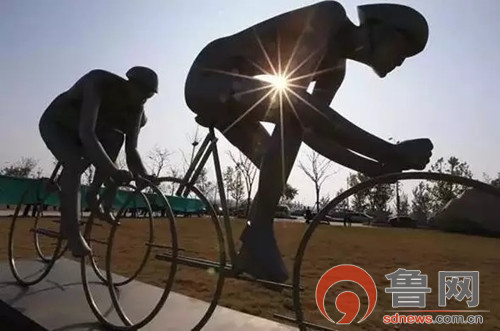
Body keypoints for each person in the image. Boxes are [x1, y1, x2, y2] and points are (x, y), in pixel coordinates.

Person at [184, 2, 433, 282]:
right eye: (402, 49)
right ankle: (259, 233)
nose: (401, 61)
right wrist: (389, 150)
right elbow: (296, 103)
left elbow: (313, 131)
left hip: (236, 93)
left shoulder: (335, 70)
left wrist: (372, 167)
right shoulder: (329, 16)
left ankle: (252, 247)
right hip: (209, 78)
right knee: (290, 115)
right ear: (381, 30)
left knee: (275, 157)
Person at [39, 66, 158, 257]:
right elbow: (87, 132)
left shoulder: (137, 109)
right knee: (74, 164)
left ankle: (93, 193)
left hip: (85, 131)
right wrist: (113, 171)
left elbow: (131, 150)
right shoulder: (98, 82)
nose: (142, 100)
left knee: (115, 137)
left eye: (148, 97)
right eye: (141, 94)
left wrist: (143, 175)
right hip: (58, 124)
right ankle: (72, 231)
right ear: (130, 84)